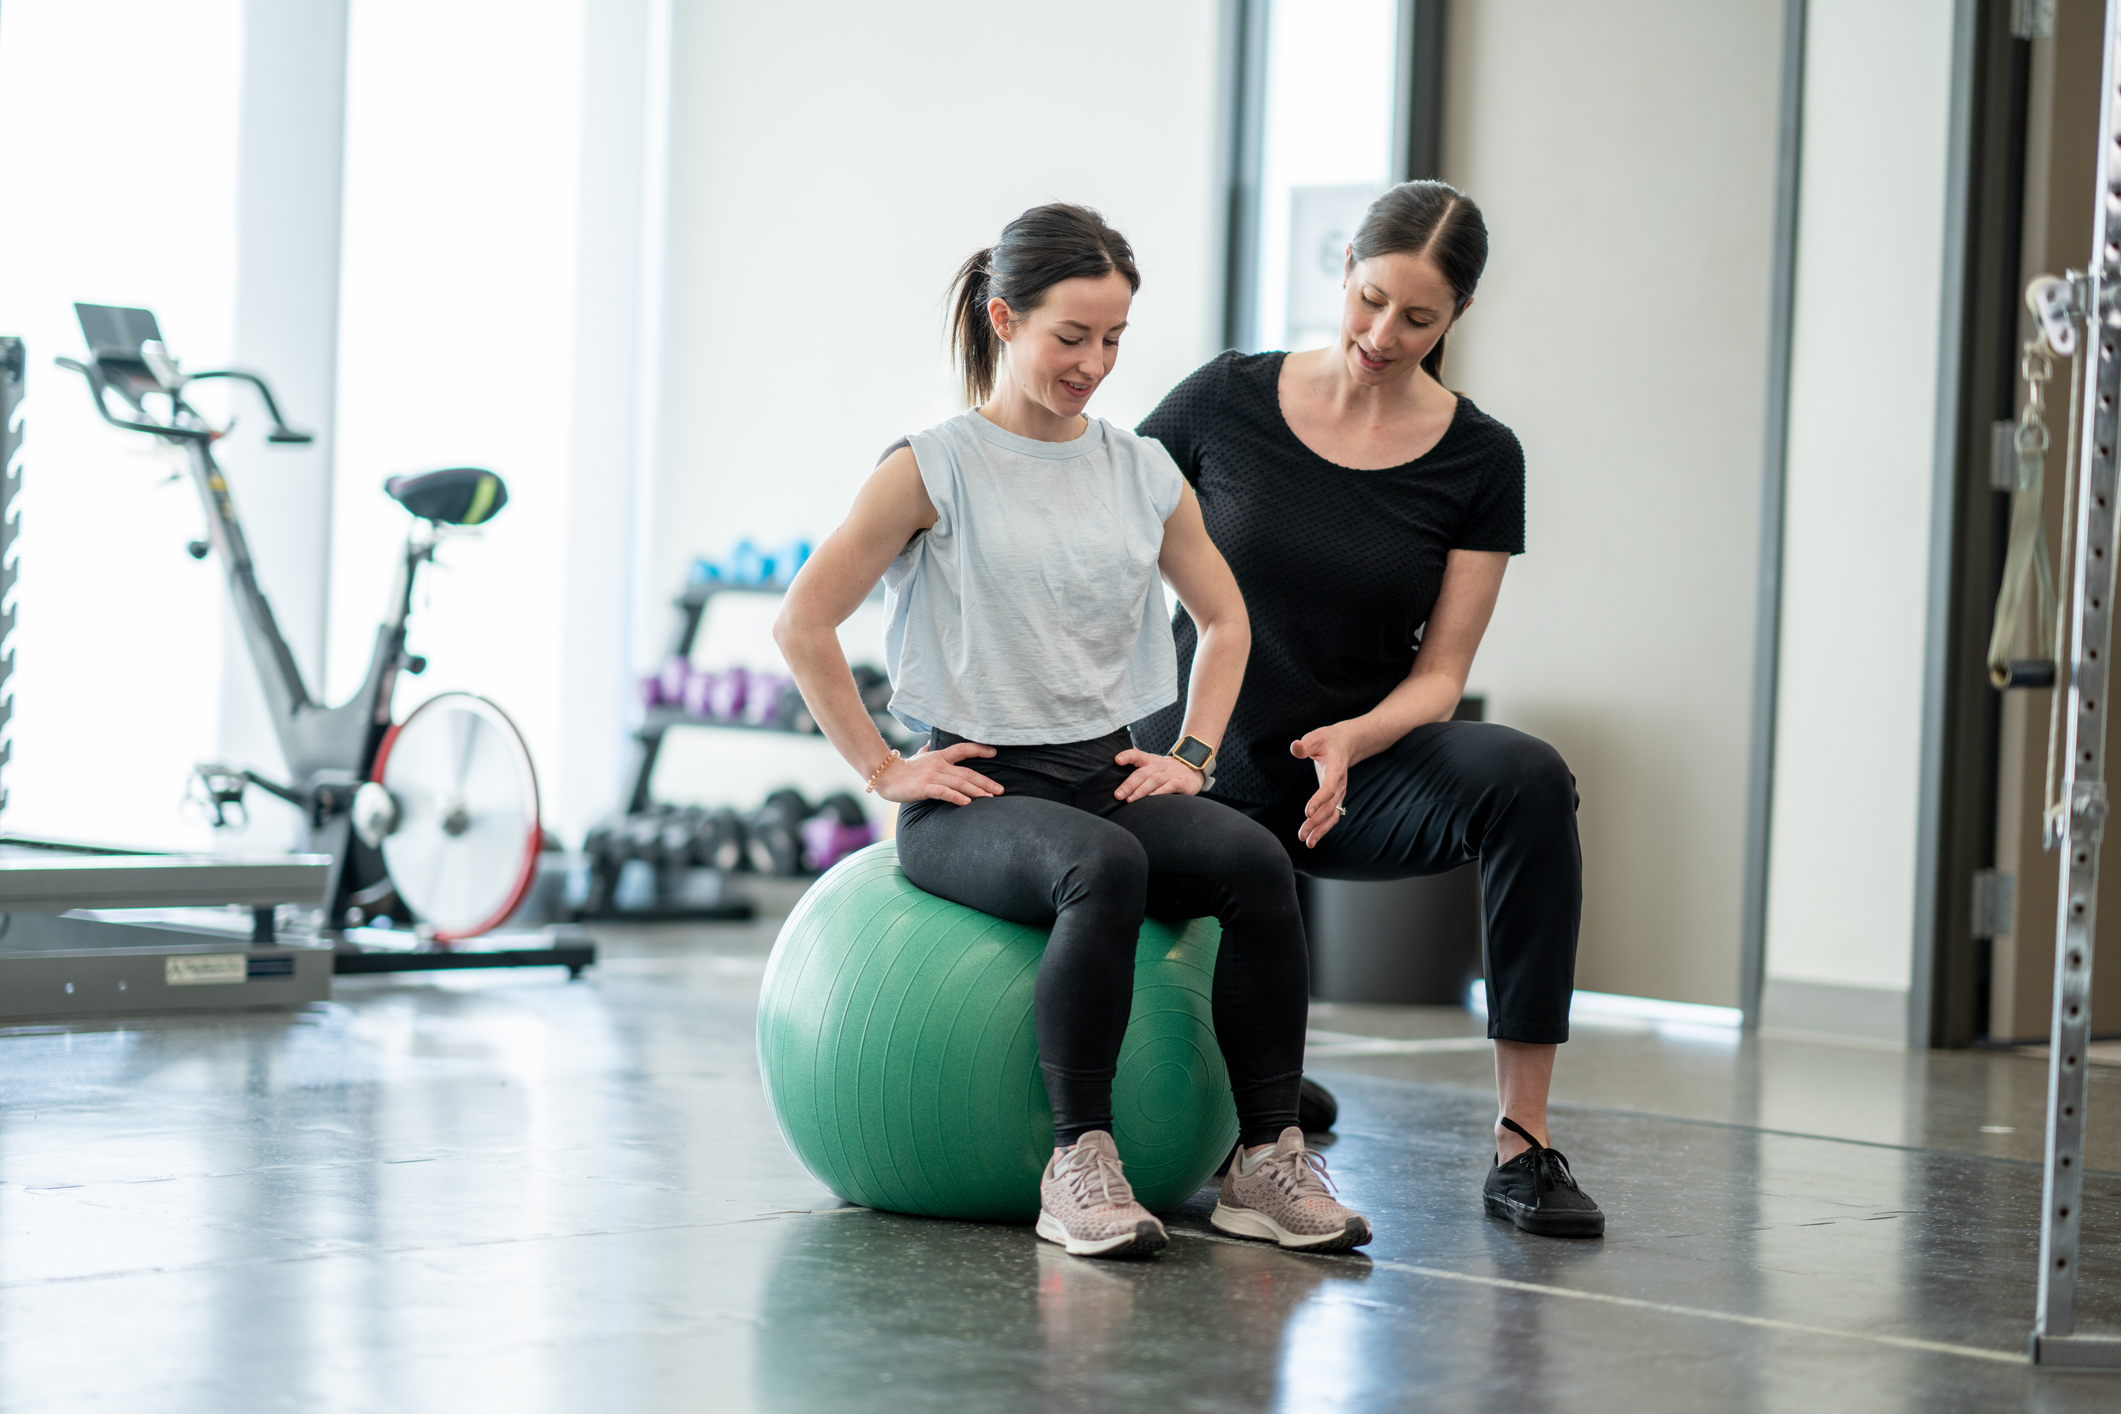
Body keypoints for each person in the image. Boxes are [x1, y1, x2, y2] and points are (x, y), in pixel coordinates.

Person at [774, 204, 1373, 1260]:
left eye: (1112, 340)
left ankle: (1263, 1158)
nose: (1093, 363)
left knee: (1252, 859)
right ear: (1004, 319)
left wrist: (1190, 754)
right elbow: (803, 619)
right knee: (1101, 868)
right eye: (1070, 337)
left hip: (1105, 770)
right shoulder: (933, 464)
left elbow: (1226, 619)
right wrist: (883, 765)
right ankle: (1077, 1162)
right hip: (977, 793)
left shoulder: (1139, 468)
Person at [1135, 181, 1604, 1239]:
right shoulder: (1225, 399)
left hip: (1356, 766)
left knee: (1529, 779)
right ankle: (1254, 1091)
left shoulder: (1481, 458)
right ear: (1344, 266)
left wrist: (1356, 737)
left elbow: (1442, 673)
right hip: (1198, 756)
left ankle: (1523, 1145)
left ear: (1457, 321)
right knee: (1221, 876)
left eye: (1418, 318)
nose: (1383, 335)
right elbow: (1091, 523)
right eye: (1371, 300)